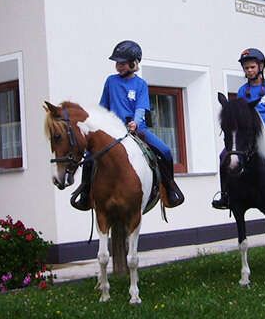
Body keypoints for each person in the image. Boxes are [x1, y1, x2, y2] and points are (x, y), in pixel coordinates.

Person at [70, 40, 185, 211]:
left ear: (134, 63)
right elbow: (103, 107)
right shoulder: (111, 81)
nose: (118, 66)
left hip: (137, 129)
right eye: (117, 63)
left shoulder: (141, 84)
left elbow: (141, 107)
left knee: (166, 151)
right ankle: (85, 193)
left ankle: (170, 188)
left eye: (122, 63)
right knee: (89, 157)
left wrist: (135, 122)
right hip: (113, 130)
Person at [212, 48, 265, 210]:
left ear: (260, 67)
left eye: (252, 67)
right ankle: (225, 194)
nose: (249, 70)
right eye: (246, 68)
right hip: (248, 133)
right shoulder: (241, 91)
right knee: (223, 155)